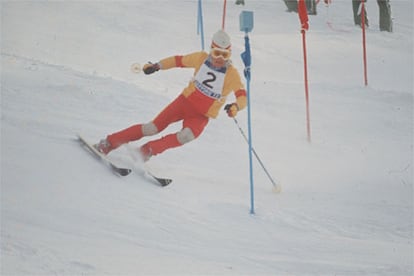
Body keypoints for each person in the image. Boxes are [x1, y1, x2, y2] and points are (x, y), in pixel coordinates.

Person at [94, 30, 247, 162]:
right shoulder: (200, 58)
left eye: (225, 55)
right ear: (211, 49)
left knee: (186, 136)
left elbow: (243, 96)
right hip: (184, 103)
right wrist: (157, 66)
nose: (219, 58)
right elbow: (178, 60)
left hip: (201, 115)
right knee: (152, 128)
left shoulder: (231, 73)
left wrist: (236, 106)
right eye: (216, 53)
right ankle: (108, 143)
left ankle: (146, 151)